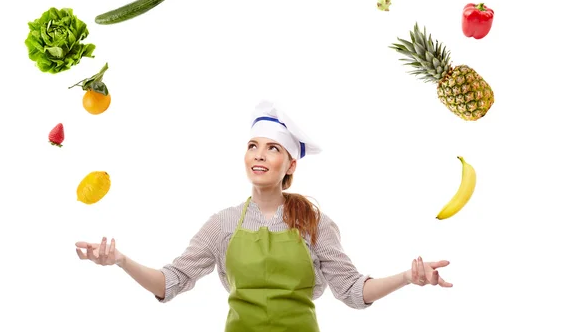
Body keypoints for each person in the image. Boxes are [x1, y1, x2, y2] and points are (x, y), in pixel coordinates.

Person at [76, 100, 452, 331]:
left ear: (289, 164)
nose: (259, 155)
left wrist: (407, 277)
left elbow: (353, 291)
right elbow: (170, 282)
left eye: (272, 148)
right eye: (253, 146)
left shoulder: (314, 222)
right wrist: (121, 261)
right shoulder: (222, 224)